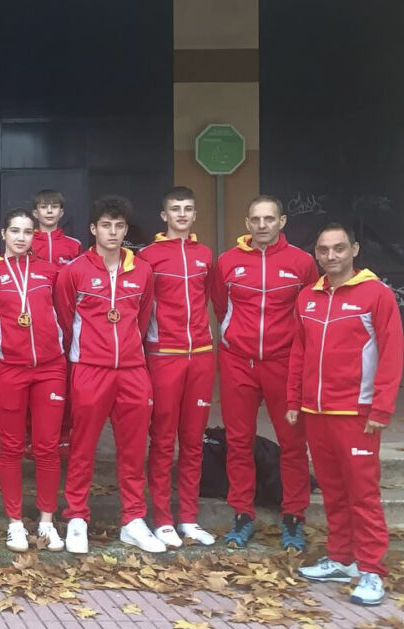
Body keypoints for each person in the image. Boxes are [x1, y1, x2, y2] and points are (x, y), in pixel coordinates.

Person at [289, 223, 403, 606]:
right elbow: (298, 354)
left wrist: (381, 409)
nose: (331, 256)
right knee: (334, 492)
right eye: (323, 249)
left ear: (354, 249)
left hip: (357, 414)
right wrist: (294, 401)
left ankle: (371, 570)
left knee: (363, 495)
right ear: (316, 254)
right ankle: (342, 559)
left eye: (339, 248)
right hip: (316, 413)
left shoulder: (377, 295)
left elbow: (391, 356)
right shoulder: (307, 297)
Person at [55, 195, 163, 554]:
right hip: (90, 369)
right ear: (93, 229)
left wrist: (130, 355)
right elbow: (65, 319)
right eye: (106, 225)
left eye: (119, 226)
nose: (112, 232)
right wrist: (87, 353)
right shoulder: (75, 271)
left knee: (133, 450)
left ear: (126, 230)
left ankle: (133, 519)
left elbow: (143, 317)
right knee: (83, 447)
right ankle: (76, 518)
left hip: (133, 371)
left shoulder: (143, 271)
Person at [211, 195, 318, 550]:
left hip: (283, 363)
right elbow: (221, 305)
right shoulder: (227, 262)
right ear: (246, 223)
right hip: (237, 360)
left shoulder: (302, 263)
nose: (262, 226)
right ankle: (242, 513)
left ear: (282, 221)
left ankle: (293, 516)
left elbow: (308, 313)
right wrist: (234, 338)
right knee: (238, 442)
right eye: (255, 219)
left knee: (292, 442)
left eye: (269, 219)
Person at [0, 209, 66, 552]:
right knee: (11, 448)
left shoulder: (51, 272)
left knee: (46, 447)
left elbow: (63, 315)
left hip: (49, 368)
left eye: (28, 232)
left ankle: (46, 522)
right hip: (9, 368)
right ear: (3, 233)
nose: (21, 237)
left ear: (35, 236)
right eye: (15, 230)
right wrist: (5, 350)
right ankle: (14, 522)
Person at [137, 187, 217, 548]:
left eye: (187, 209)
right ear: (163, 215)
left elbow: (217, 299)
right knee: (163, 439)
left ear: (195, 214)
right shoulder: (149, 256)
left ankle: (189, 517)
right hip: (164, 354)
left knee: (194, 441)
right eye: (175, 209)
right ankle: (163, 519)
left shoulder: (205, 255)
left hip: (200, 355)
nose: (182, 215)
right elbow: (140, 307)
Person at [30, 189, 82, 266]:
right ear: (35, 213)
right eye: (44, 207)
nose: (49, 211)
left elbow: (79, 274)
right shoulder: (27, 243)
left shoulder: (74, 244)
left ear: (61, 213)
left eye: (54, 207)